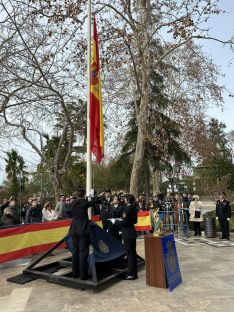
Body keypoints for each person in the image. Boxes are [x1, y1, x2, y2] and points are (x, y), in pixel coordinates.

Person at [68, 188, 95, 279]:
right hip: (83, 230)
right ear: (83, 195)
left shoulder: (73, 203)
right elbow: (93, 202)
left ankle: (75, 273)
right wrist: (91, 195)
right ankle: (83, 275)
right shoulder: (84, 202)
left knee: (75, 252)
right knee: (83, 252)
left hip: (74, 230)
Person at [112, 194, 138, 280]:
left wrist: (115, 222)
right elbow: (135, 221)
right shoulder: (134, 208)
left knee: (129, 254)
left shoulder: (127, 209)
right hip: (132, 232)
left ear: (127, 200)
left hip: (127, 233)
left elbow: (124, 223)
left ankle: (131, 274)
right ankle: (134, 272)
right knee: (133, 253)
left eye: (125, 199)